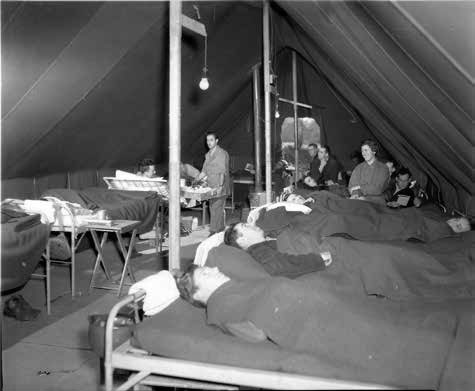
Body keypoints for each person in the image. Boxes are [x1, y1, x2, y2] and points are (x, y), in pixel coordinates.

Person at [175, 264, 456, 386]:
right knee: (391, 337)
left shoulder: (229, 291)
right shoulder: (220, 307)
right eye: (207, 273)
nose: (215, 269)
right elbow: (254, 332)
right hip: (312, 322)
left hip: (312, 307)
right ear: (198, 293)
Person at [223, 222, 332, 278]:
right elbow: (280, 266)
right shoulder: (259, 251)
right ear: (242, 240)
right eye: (246, 226)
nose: (253, 224)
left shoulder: (266, 244)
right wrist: (318, 259)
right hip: (325, 260)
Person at [194, 132, 230, 235]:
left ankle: (213, 232)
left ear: (216, 141)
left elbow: (222, 172)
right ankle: (221, 229)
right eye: (207, 140)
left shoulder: (221, 153)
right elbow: (204, 172)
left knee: (215, 208)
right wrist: (195, 180)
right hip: (211, 186)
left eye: (211, 140)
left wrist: (220, 186)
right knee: (215, 208)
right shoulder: (208, 155)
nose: (209, 142)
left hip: (220, 186)